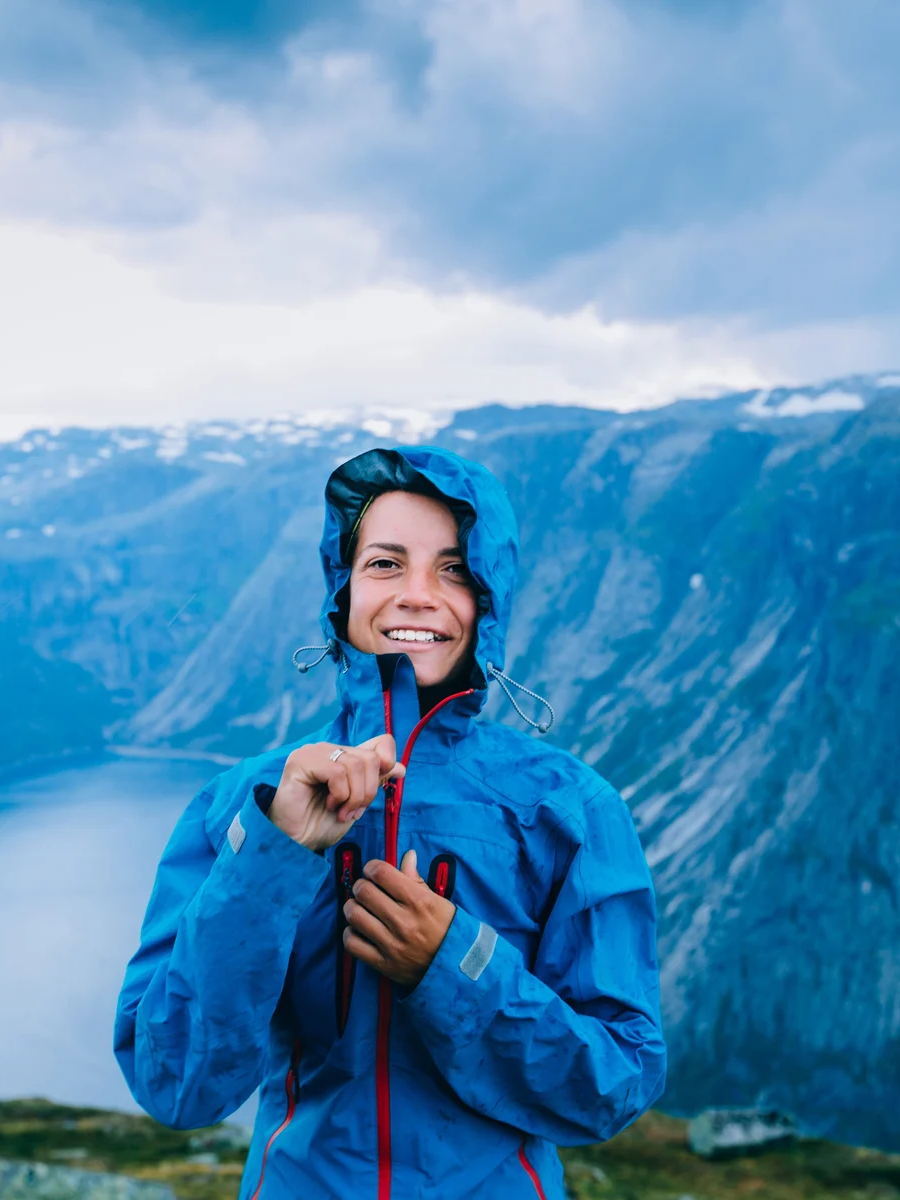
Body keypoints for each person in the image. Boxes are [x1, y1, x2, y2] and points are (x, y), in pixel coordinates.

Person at [114, 445, 666, 1199]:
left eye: (454, 569)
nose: (418, 594)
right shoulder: (245, 805)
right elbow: (175, 1082)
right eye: (384, 563)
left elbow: (617, 1080)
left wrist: (452, 964)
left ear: (487, 602)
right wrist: (274, 854)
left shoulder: (567, 810)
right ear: (341, 589)